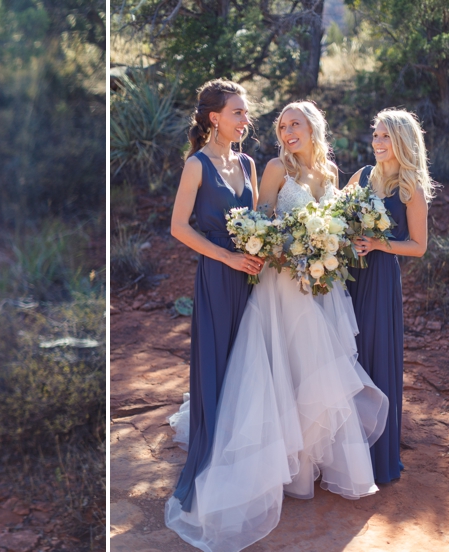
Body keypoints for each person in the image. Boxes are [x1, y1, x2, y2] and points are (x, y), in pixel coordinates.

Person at [166, 101, 389, 552]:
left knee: (314, 372)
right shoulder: (271, 168)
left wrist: (332, 245)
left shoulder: (329, 172)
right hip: (281, 284)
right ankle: (275, 464)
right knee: (279, 367)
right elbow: (260, 223)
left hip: (321, 287)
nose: (287, 132)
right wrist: (290, 247)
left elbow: (341, 227)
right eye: (282, 125)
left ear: (313, 128)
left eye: (295, 125)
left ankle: (307, 463)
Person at [167, 79, 262, 515]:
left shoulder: (248, 163)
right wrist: (226, 256)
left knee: (251, 362)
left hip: (253, 277)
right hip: (218, 275)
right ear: (215, 118)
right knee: (218, 360)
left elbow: (260, 220)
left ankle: (246, 452)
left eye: (245, 113)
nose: (246, 120)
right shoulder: (197, 166)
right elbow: (179, 227)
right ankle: (212, 454)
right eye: (238, 113)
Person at [346, 109, 434, 486]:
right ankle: (342, 454)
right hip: (348, 278)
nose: (378, 143)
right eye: (376, 135)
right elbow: (336, 213)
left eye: (385, 137)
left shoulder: (409, 187)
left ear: (401, 142)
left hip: (380, 280)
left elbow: (419, 246)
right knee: (347, 355)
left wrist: (381, 244)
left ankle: (376, 458)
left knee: (376, 357)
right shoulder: (362, 176)